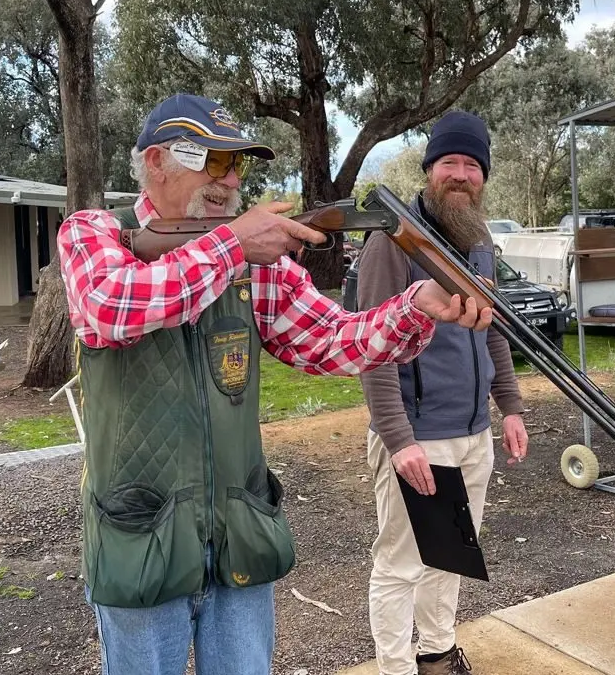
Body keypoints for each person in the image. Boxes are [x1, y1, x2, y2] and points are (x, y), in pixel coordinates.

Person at [58, 94, 493, 675]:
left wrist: (416, 306)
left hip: (240, 532)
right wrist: (235, 244)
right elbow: (111, 306)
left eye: (236, 164)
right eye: (212, 161)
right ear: (156, 160)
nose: (229, 178)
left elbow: (335, 341)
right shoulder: (94, 233)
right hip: (139, 537)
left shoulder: (253, 264)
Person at [356, 110, 529, 675]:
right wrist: (398, 437)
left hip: (472, 430)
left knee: (451, 555)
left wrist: (510, 407)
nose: (461, 174)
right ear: (430, 169)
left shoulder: (477, 237)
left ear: (483, 175)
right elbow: (370, 343)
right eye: (449, 162)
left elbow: (493, 328)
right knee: (402, 564)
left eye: (472, 164)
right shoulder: (392, 237)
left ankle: (436, 654)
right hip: (418, 436)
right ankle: (397, 668)